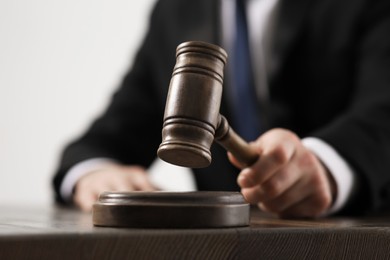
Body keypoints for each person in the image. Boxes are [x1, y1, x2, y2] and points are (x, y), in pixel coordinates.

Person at [52, 0, 390, 217]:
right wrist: (94, 173)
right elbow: (106, 138)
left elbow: (382, 109)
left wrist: (328, 165)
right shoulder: (177, 10)